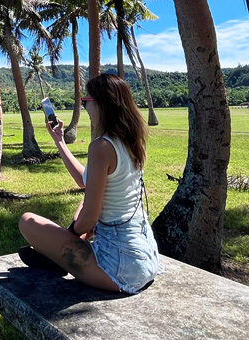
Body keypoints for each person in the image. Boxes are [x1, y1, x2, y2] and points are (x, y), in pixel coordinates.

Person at [18, 73, 161, 294]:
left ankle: (58, 258)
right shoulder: (130, 141)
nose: (85, 108)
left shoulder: (102, 147)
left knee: (27, 221)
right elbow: (86, 181)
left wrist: (68, 236)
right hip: (145, 257)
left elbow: (89, 220)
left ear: (102, 105)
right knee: (84, 202)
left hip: (118, 266)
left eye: (86, 102)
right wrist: (60, 142)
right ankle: (59, 256)